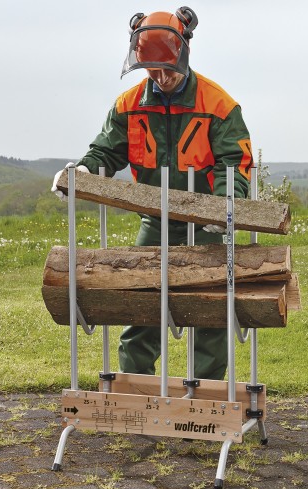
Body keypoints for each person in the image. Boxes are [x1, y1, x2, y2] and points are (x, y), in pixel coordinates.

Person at [52, 6, 253, 380]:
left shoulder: (219, 105)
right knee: (140, 306)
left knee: (210, 314)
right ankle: (135, 394)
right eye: (152, 69)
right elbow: (107, 152)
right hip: (155, 222)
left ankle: (206, 402)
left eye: (167, 69)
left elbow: (234, 161)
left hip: (206, 226)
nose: (161, 77)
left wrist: (222, 207)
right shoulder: (128, 106)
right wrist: (82, 171)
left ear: (184, 54)